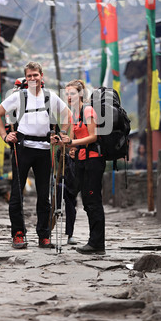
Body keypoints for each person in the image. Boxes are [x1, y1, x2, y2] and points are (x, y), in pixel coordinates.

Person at [0, 61, 70, 250]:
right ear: (25, 78)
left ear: (42, 76)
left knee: (44, 196)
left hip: (44, 150)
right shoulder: (18, 97)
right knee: (17, 194)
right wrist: (4, 135)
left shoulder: (50, 97)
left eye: (36, 75)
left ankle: (44, 235)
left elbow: (67, 115)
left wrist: (60, 135)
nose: (33, 78)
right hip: (22, 148)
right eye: (29, 76)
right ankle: (18, 234)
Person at [59, 80, 106, 255]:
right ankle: (94, 241)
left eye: (72, 93)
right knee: (86, 201)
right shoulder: (73, 115)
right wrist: (67, 145)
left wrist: (73, 142)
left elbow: (93, 136)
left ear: (80, 94)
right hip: (81, 161)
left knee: (93, 201)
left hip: (93, 160)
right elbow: (71, 140)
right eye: (66, 93)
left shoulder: (88, 110)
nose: (68, 96)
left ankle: (97, 243)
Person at [56, 146, 78, 245]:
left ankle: (70, 235)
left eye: (75, 150)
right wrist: (61, 146)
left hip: (73, 191)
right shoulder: (67, 159)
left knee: (71, 212)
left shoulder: (80, 163)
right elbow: (60, 156)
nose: (72, 151)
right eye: (71, 150)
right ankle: (58, 207)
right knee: (61, 187)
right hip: (63, 186)